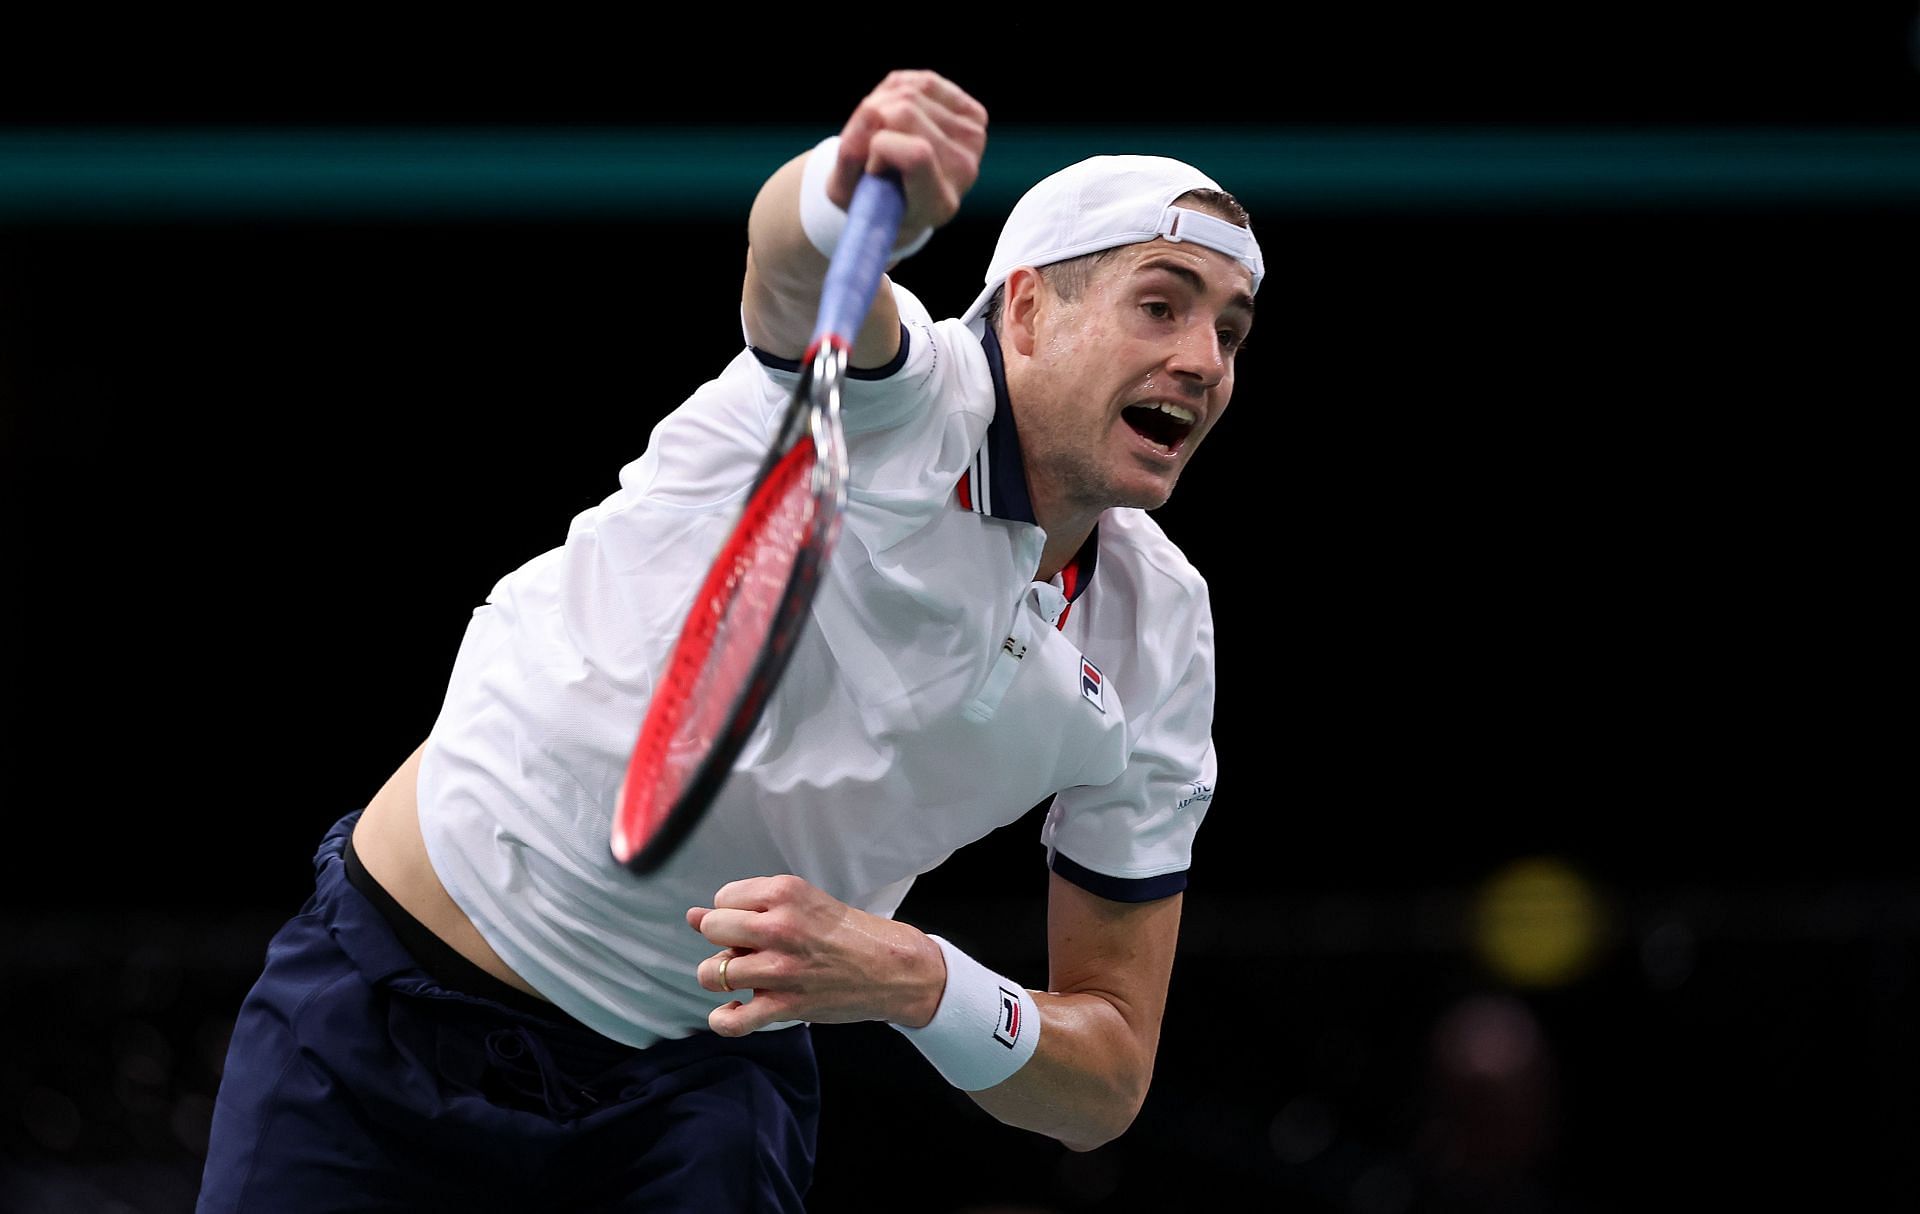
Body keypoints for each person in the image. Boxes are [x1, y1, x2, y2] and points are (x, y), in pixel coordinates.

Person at [197, 68, 1262, 1213]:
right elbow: (789, 267)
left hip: (693, 1085)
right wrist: (838, 184)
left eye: (1232, 329)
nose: (1205, 359)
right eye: (1162, 304)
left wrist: (919, 976)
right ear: (1026, 311)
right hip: (385, 1014)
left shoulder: (1164, 637)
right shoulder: (898, 399)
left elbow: (1102, 1081)